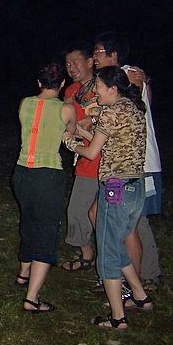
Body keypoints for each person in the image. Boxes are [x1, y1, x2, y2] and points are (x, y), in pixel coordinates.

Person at [63, 66, 154, 330]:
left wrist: (69, 142)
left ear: (113, 89)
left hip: (116, 187)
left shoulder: (111, 113)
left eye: (99, 89)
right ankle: (141, 296)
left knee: (108, 252)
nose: (96, 93)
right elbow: (108, 143)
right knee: (116, 244)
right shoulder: (134, 109)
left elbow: (92, 153)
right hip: (135, 187)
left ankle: (117, 317)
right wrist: (83, 134)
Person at [92, 31, 162, 291]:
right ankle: (125, 276)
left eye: (98, 52)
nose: (94, 57)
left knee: (132, 224)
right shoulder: (122, 78)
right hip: (126, 165)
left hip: (136, 164)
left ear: (114, 54)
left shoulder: (127, 76)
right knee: (110, 218)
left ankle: (139, 280)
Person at [12, 63, 76, 313]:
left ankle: (23, 273)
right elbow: (70, 133)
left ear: (39, 83)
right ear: (62, 84)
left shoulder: (24, 103)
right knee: (46, 231)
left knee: (29, 220)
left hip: (21, 172)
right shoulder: (66, 109)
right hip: (48, 175)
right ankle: (32, 298)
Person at [60, 42, 100, 271]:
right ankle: (87, 255)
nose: (71, 68)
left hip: (110, 161)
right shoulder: (71, 92)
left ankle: (125, 266)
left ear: (90, 62)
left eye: (75, 62)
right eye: (67, 64)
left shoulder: (105, 86)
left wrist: (91, 121)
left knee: (106, 217)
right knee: (76, 211)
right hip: (85, 159)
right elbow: (69, 125)